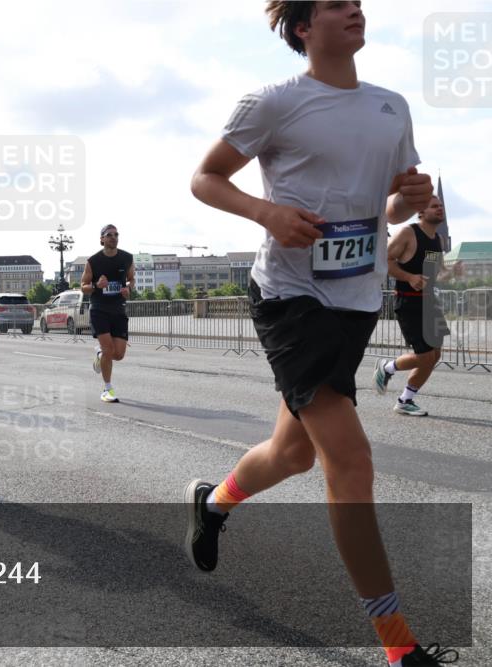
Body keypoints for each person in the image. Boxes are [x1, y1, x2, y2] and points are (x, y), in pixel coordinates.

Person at [186, 3, 455, 666]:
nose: (356, 11)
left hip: (357, 300)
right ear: (305, 27)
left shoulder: (390, 107)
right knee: (350, 460)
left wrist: (413, 200)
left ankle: (214, 501)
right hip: (290, 297)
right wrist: (267, 211)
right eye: (338, 3)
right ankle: (399, 647)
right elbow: (205, 177)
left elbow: (384, 203)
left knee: (293, 453)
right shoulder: (276, 101)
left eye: (358, 2)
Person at [374, 196, 459, 416]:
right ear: (421, 211)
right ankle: (387, 367)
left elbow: (437, 272)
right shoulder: (408, 233)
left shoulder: (438, 239)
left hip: (430, 302)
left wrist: (452, 273)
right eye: (434, 206)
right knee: (424, 356)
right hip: (409, 301)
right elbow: (384, 261)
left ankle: (405, 399)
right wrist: (409, 276)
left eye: (441, 206)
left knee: (436, 354)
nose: (439, 209)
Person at [82, 225, 134, 403]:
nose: (113, 237)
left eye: (116, 234)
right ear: (102, 239)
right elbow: (83, 286)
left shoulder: (127, 258)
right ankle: (107, 388)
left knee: (118, 354)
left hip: (118, 310)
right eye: (109, 235)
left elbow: (131, 279)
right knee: (108, 349)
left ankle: (100, 356)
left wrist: (128, 288)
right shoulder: (93, 261)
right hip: (99, 310)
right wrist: (96, 285)